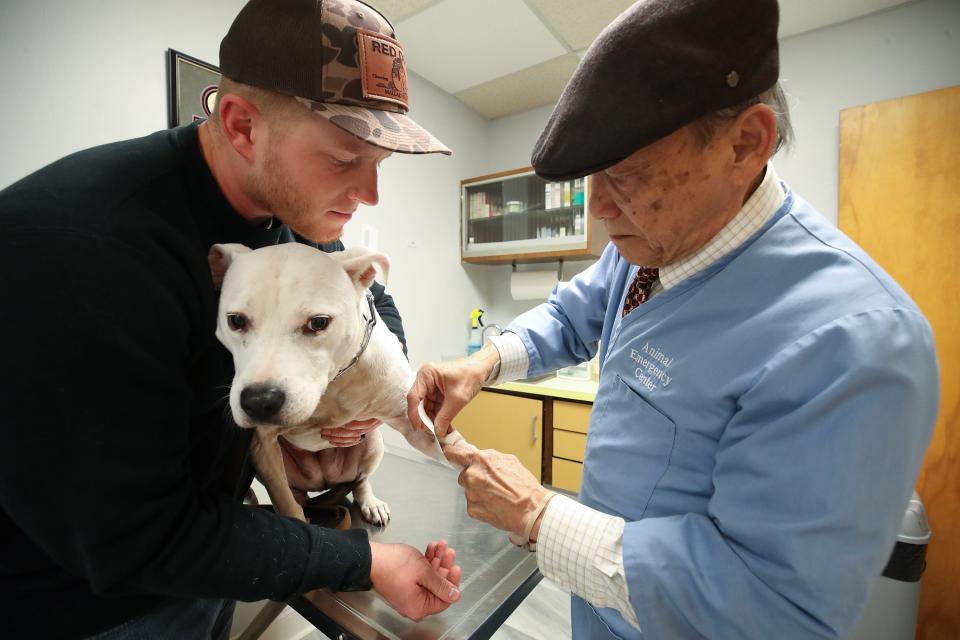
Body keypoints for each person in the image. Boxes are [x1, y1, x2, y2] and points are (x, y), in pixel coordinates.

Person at [408, 0, 938, 638]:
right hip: (600, 613)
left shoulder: (857, 341)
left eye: (626, 175)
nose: (599, 207)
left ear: (745, 143)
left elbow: (767, 605)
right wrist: (483, 362)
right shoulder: (652, 243)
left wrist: (537, 516)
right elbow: (572, 313)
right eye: (592, 176)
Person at [0, 0, 462, 638]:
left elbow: (369, 296)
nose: (369, 194)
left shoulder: (281, 217)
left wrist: (377, 385)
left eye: (378, 166)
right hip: (93, 609)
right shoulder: (84, 253)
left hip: (211, 560)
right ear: (243, 126)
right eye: (343, 158)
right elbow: (139, 536)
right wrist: (363, 559)